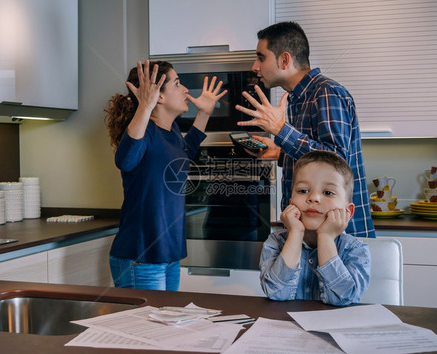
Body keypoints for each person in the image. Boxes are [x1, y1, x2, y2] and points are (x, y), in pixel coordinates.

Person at [235, 21, 375, 238]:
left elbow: (337, 161)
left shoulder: (326, 93)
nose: (255, 66)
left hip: (339, 237)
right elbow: (316, 157)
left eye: (261, 57)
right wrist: (281, 152)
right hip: (312, 235)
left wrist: (281, 130)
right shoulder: (299, 98)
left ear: (285, 59)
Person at [104, 60, 226, 290]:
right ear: (158, 97)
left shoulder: (172, 133)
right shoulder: (144, 132)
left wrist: (204, 113)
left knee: (167, 324)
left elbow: (184, 155)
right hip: (142, 257)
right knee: (146, 326)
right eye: (178, 84)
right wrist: (144, 107)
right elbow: (125, 160)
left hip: (168, 255)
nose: (185, 90)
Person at [259, 151, 370, 306]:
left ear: (348, 211)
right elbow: (276, 293)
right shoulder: (275, 242)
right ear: (290, 202)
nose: (313, 198)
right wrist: (295, 233)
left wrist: (326, 237)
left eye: (328, 192)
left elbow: (343, 298)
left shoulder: (356, 250)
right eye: (303, 190)